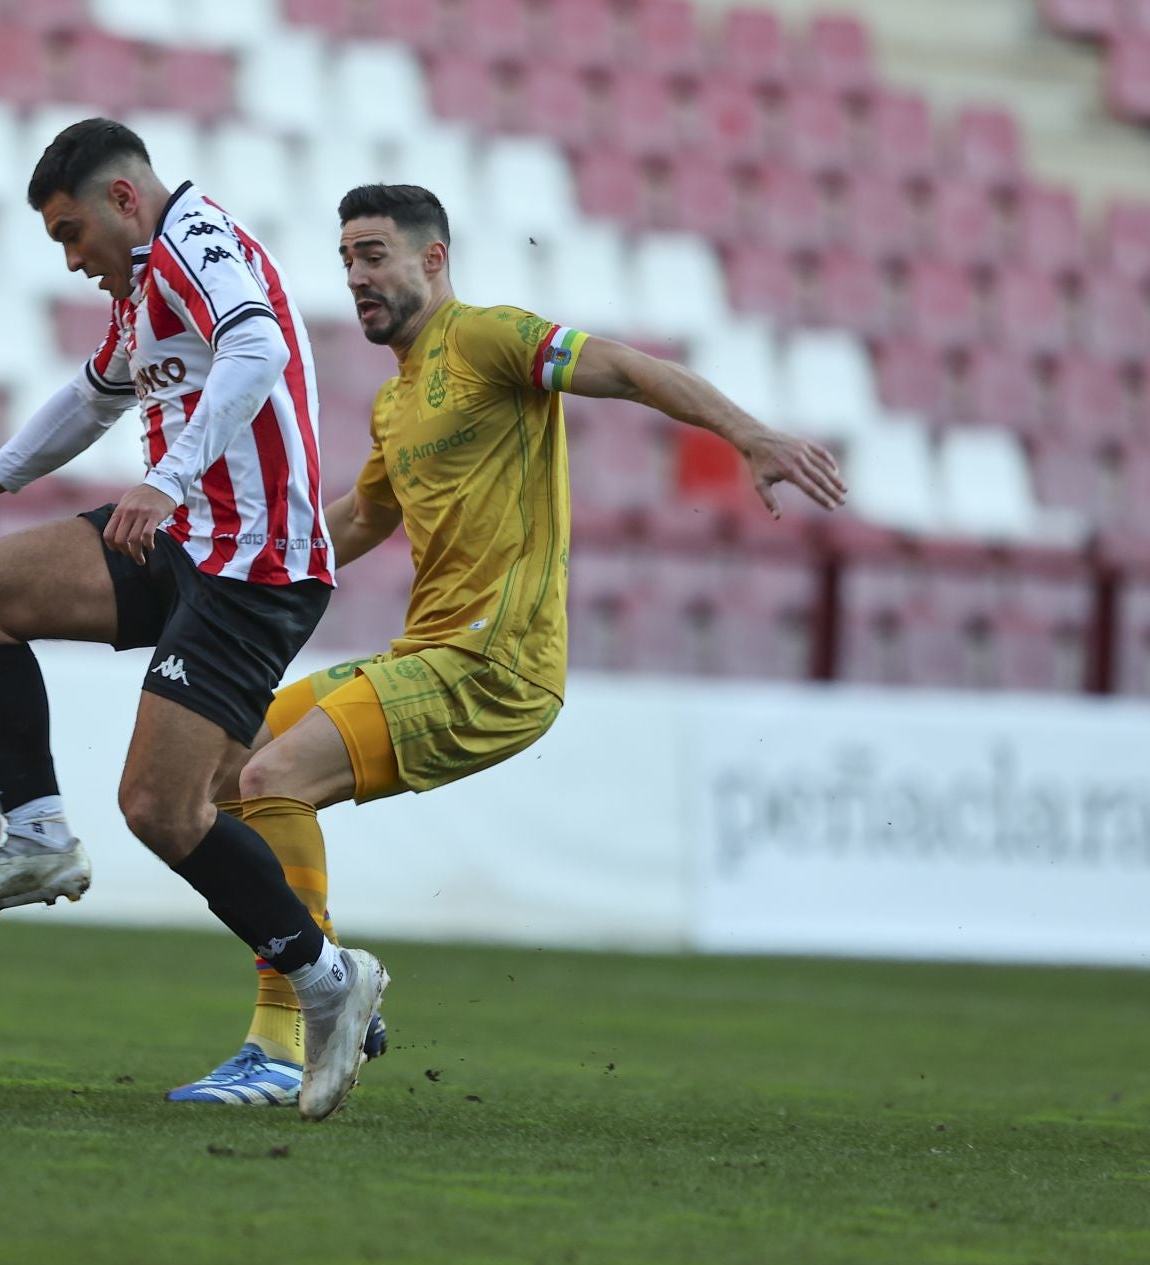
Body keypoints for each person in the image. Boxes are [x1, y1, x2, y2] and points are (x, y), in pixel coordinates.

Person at [166, 184, 848, 1105]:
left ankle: (287, 1035)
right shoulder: (396, 402)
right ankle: (334, 998)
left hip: (499, 664)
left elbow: (630, 369)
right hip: (428, 653)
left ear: (433, 259)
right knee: (223, 763)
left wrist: (748, 434)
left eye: (374, 255)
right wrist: (242, 562)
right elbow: (365, 517)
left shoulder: (488, 339)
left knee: (270, 781)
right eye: (346, 262)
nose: (357, 277)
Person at [0, 119, 383, 1120]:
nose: (73, 260)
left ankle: (331, 982)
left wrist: (166, 478)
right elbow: (90, 400)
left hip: (252, 563)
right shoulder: (142, 289)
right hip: (183, 541)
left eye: (72, 233)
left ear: (125, 201)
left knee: (166, 809)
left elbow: (252, 340)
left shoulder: (198, 240)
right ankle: (36, 835)